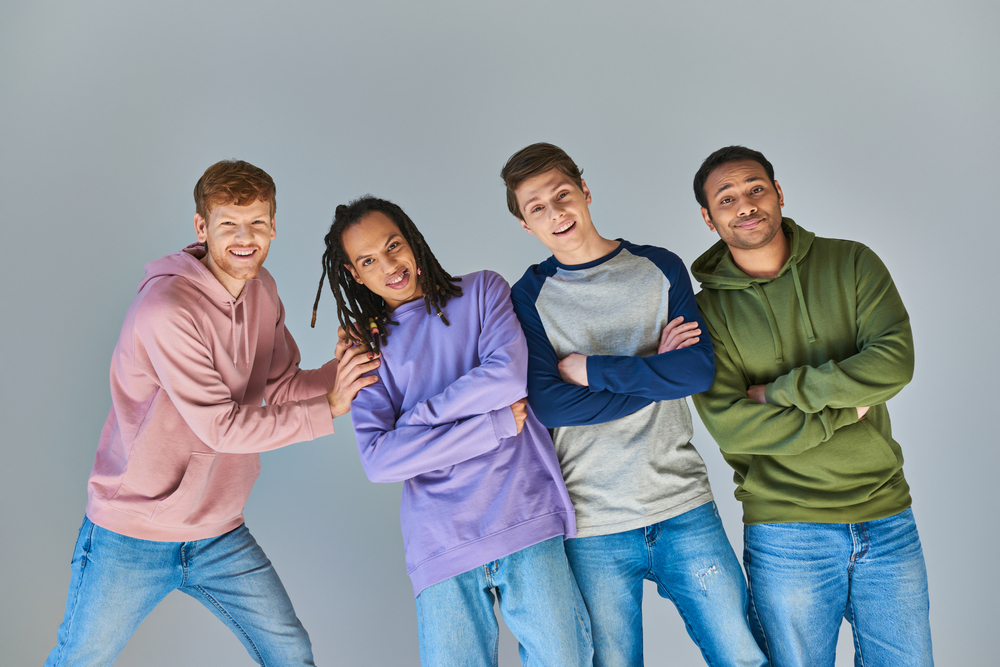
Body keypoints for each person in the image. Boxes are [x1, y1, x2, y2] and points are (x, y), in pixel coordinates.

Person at [45, 160, 378, 667]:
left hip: (217, 529)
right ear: (201, 227)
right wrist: (329, 409)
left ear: (273, 225)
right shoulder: (167, 309)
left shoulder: (262, 289)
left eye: (258, 223)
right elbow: (220, 427)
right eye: (229, 225)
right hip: (131, 533)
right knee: (78, 661)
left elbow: (284, 384)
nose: (245, 238)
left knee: (290, 651)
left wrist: (348, 369)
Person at [501, 142, 766, 667]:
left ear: (585, 191)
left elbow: (694, 371)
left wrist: (590, 370)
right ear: (525, 225)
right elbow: (552, 406)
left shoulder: (659, 267)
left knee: (743, 657)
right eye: (537, 208)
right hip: (592, 522)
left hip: (683, 503)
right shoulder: (528, 296)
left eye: (562, 194)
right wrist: (652, 368)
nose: (556, 212)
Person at [312, 196, 591, 667]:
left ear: (412, 239)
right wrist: (492, 424)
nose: (389, 265)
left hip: (524, 517)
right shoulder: (368, 349)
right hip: (439, 543)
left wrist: (416, 419)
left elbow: (506, 376)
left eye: (393, 245)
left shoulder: (482, 292)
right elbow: (380, 460)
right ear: (354, 274)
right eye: (368, 261)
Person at [689, 145, 933, 667]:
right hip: (786, 529)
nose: (746, 205)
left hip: (887, 515)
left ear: (778, 194)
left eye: (756, 189)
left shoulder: (851, 263)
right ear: (709, 219)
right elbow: (734, 428)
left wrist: (780, 391)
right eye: (727, 198)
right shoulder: (706, 313)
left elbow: (893, 364)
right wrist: (847, 408)